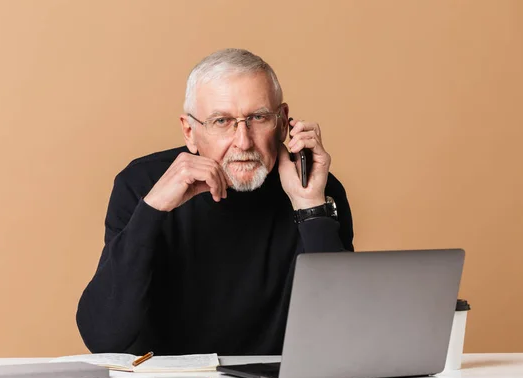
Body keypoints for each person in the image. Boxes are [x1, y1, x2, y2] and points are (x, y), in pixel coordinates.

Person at [76, 48, 354, 356]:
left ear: (284, 122)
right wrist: (152, 210)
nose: (243, 141)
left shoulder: (316, 187)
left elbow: (344, 331)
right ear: (189, 131)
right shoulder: (141, 185)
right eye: (222, 121)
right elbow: (104, 338)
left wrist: (310, 206)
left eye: (258, 117)